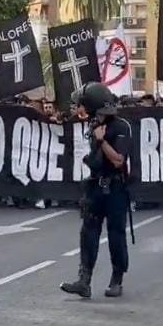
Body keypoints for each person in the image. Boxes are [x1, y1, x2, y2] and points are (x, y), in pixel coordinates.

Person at [60, 82, 131, 300]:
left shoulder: (121, 127)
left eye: (84, 104)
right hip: (95, 187)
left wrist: (101, 141)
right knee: (88, 234)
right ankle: (84, 280)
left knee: (116, 235)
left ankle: (116, 279)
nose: (81, 108)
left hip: (116, 188)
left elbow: (119, 160)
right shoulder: (93, 124)